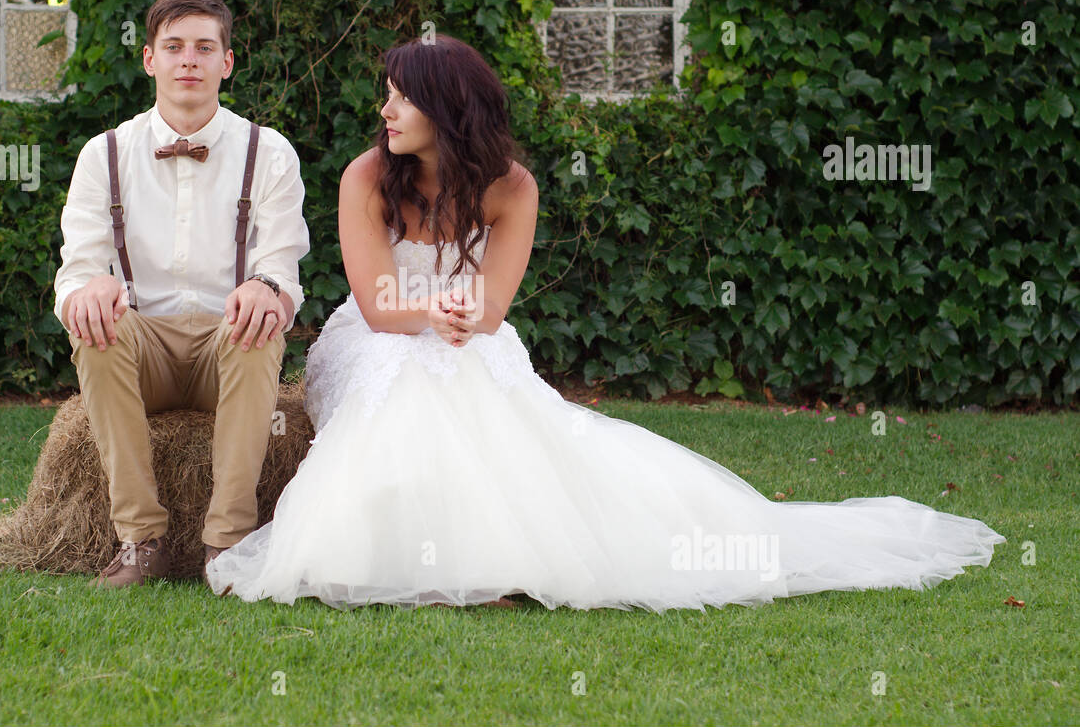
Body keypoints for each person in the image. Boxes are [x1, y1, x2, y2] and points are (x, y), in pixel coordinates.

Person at [207, 34, 1004, 611]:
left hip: (470, 332)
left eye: (401, 95)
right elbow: (381, 307)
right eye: (386, 92)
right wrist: (441, 311)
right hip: (373, 337)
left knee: (473, 382)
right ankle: (401, 555)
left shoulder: (511, 187)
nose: (384, 109)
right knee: (408, 378)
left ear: (448, 108)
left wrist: (461, 316)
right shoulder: (365, 177)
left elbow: (491, 307)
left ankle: (501, 554)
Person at [54, 0, 309, 588]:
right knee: (98, 325)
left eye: (203, 47)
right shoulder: (104, 155)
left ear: (227, 62)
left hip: (228, 348)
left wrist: (266, 289)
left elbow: (282, 266)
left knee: (258, 320)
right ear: (149, 60)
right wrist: (87, 290)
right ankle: (141, 542)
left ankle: (228, 544)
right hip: (145, 351)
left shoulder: (268, 153)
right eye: (173, 47)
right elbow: (78, 266)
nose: (187, 61)